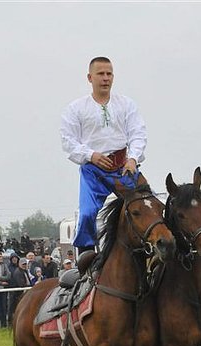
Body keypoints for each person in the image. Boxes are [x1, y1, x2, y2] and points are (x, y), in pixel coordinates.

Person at [60, 56, 147, 255]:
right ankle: (86, 257)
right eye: (101, 74)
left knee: (147, 205)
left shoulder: (126, 104)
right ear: (90, 78)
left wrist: (133, 158)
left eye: (109, 74)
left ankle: (155, 251)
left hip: (124, 168)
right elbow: (68, 141)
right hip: (94, 171)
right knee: (88, 213)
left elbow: (138, 133)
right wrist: (91, 155)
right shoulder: (76, 109)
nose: (106, 78)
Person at [8, 257, 32, 322]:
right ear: (19, 264)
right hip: (17, 294)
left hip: (23, 292)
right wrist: (29, 287)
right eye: (23, 264)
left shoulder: (25, 271)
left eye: (25, 264)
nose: (24, 265)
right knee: (15, 309)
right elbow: (21, 284)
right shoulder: (18, 272)